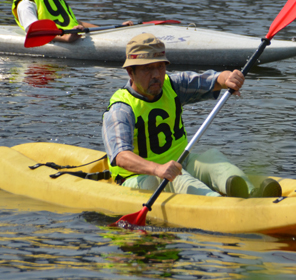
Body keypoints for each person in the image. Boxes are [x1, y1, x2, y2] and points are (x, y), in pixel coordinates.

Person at [102, 33, 282, 198]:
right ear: (130, 72)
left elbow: (214, 80)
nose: (156, 75)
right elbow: (121, 156)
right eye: (147, 69)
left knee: (212, 157)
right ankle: (219, 204)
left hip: (180, 163)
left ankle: (252, 193)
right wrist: (158, 169)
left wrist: (229, 78)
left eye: (160, 67)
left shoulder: (172, 85)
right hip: (141, 178)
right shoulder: (121, 108)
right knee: (178, 178)